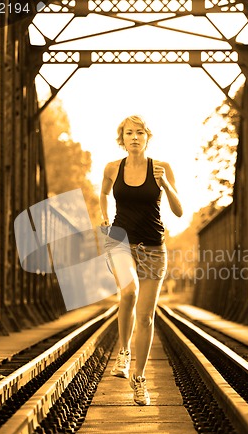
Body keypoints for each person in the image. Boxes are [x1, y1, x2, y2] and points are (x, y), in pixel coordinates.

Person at [100, 115, 183, 406]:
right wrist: (103, 217)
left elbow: (179, 211)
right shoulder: (112, 168)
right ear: (121, 139)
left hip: (154, 248)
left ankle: (139, 379)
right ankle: (123, 352)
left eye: (139, 132)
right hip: (121, 241)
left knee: (146, 316)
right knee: (129, 291)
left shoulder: (161, 168)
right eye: (128, 133)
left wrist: (166, 185)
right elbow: (103, 193)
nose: (134, 137)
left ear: (148, 136)